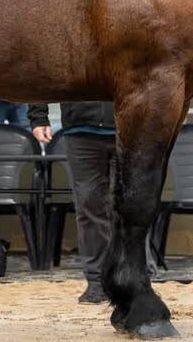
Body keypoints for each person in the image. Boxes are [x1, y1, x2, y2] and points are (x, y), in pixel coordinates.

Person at [28, 100, 115, 305]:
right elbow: (44, 72)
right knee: (88, 206)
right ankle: (97, 280)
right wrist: (38, 117)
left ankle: (140, 275)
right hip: (79, 129)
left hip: (131, 126)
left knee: (131, 206)